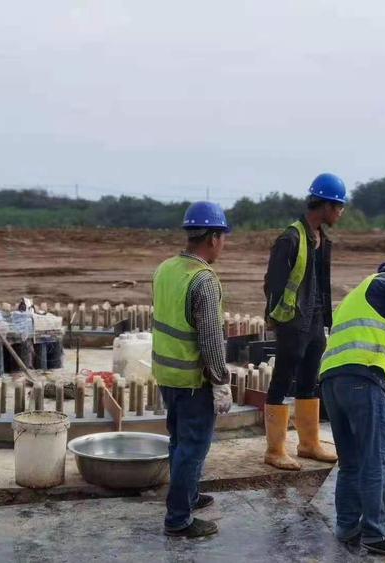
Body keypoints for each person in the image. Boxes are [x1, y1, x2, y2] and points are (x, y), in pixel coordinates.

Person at [319, 257, 385, 557]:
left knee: (350, 461)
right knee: (375, 459)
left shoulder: (359, 296)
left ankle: (347, 527)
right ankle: (376, 533)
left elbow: (365, 339)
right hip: (363, 380)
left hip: (331, 381)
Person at [152, 201, 234, 538]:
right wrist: (220, 381)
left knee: (178, 441)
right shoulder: (203, 280)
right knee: (193, 447)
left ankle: (186, 495)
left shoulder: (166, 268)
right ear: (213, 237)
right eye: (223, 236)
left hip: (166, 374)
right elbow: (212, 340)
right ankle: (179, 518)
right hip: (192, 379)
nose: (223, 243)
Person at [262, 173, 345, 470]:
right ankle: (274, 450)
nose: (340, 212)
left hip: (314, 320)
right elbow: (273, 282)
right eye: (338, 206)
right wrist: (280, 319)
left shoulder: (322, 239)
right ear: (323, 205)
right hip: (293, 322)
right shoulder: (291, 237)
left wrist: (324, 320)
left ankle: (309, 444)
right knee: (282, 381)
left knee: (310, 380)